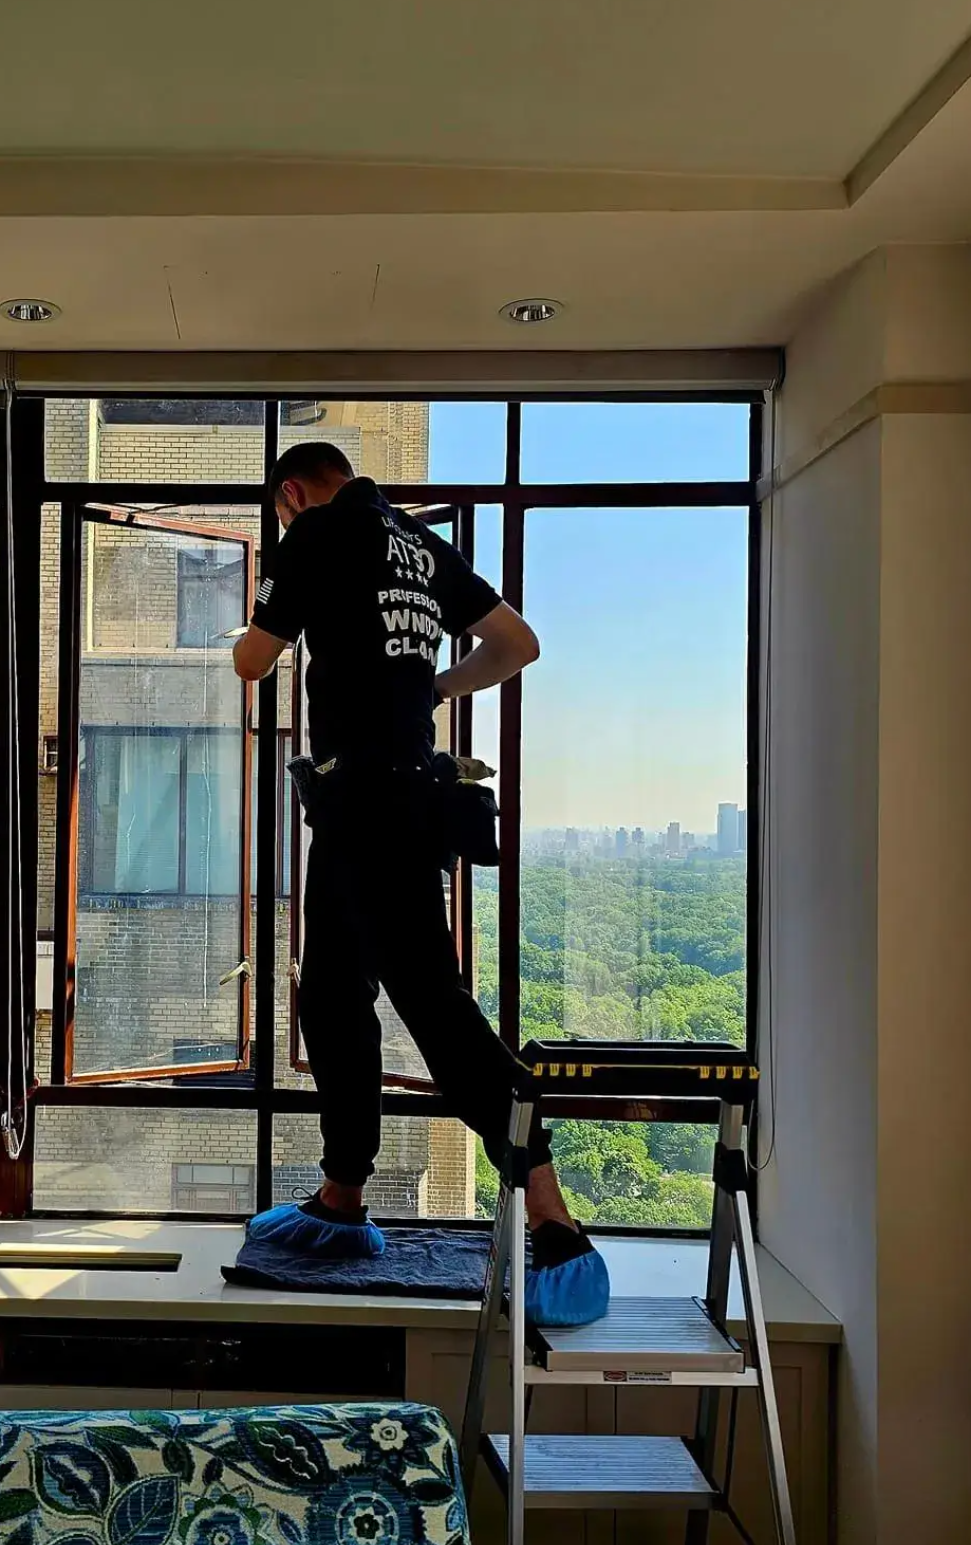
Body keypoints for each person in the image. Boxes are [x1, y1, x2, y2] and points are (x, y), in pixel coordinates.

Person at [231, 442, 609, 1327]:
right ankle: (342, 1196)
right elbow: (516, 645)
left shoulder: (315, 535)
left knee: (432, 1009)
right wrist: (433, 687)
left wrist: (252, 628)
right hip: (401, 802)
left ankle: (553, 1221)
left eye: (282, 512)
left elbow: (254, 660)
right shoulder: (418, 542)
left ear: (292, 494)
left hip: (364, 808)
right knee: (332, 997)